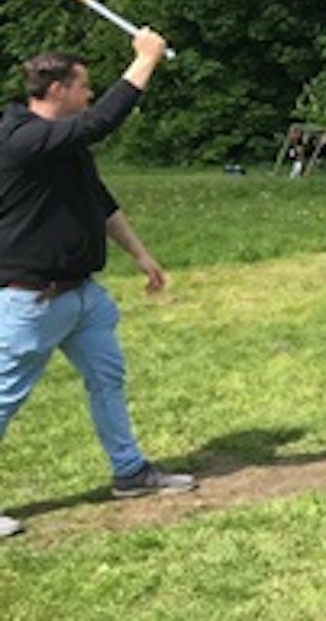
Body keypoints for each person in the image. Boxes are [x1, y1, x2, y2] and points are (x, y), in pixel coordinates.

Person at [0, 29, 196, 539]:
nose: (89, 94)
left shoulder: (64, 144)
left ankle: (129, 472)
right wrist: (146, 59)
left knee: (107, 380)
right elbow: (103, 119)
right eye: (83, 85)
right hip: (30, 301)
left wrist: (141, 254)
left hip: (82, 298)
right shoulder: (22, 139)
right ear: (57, 89)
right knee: (2, 400)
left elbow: (100, 201)